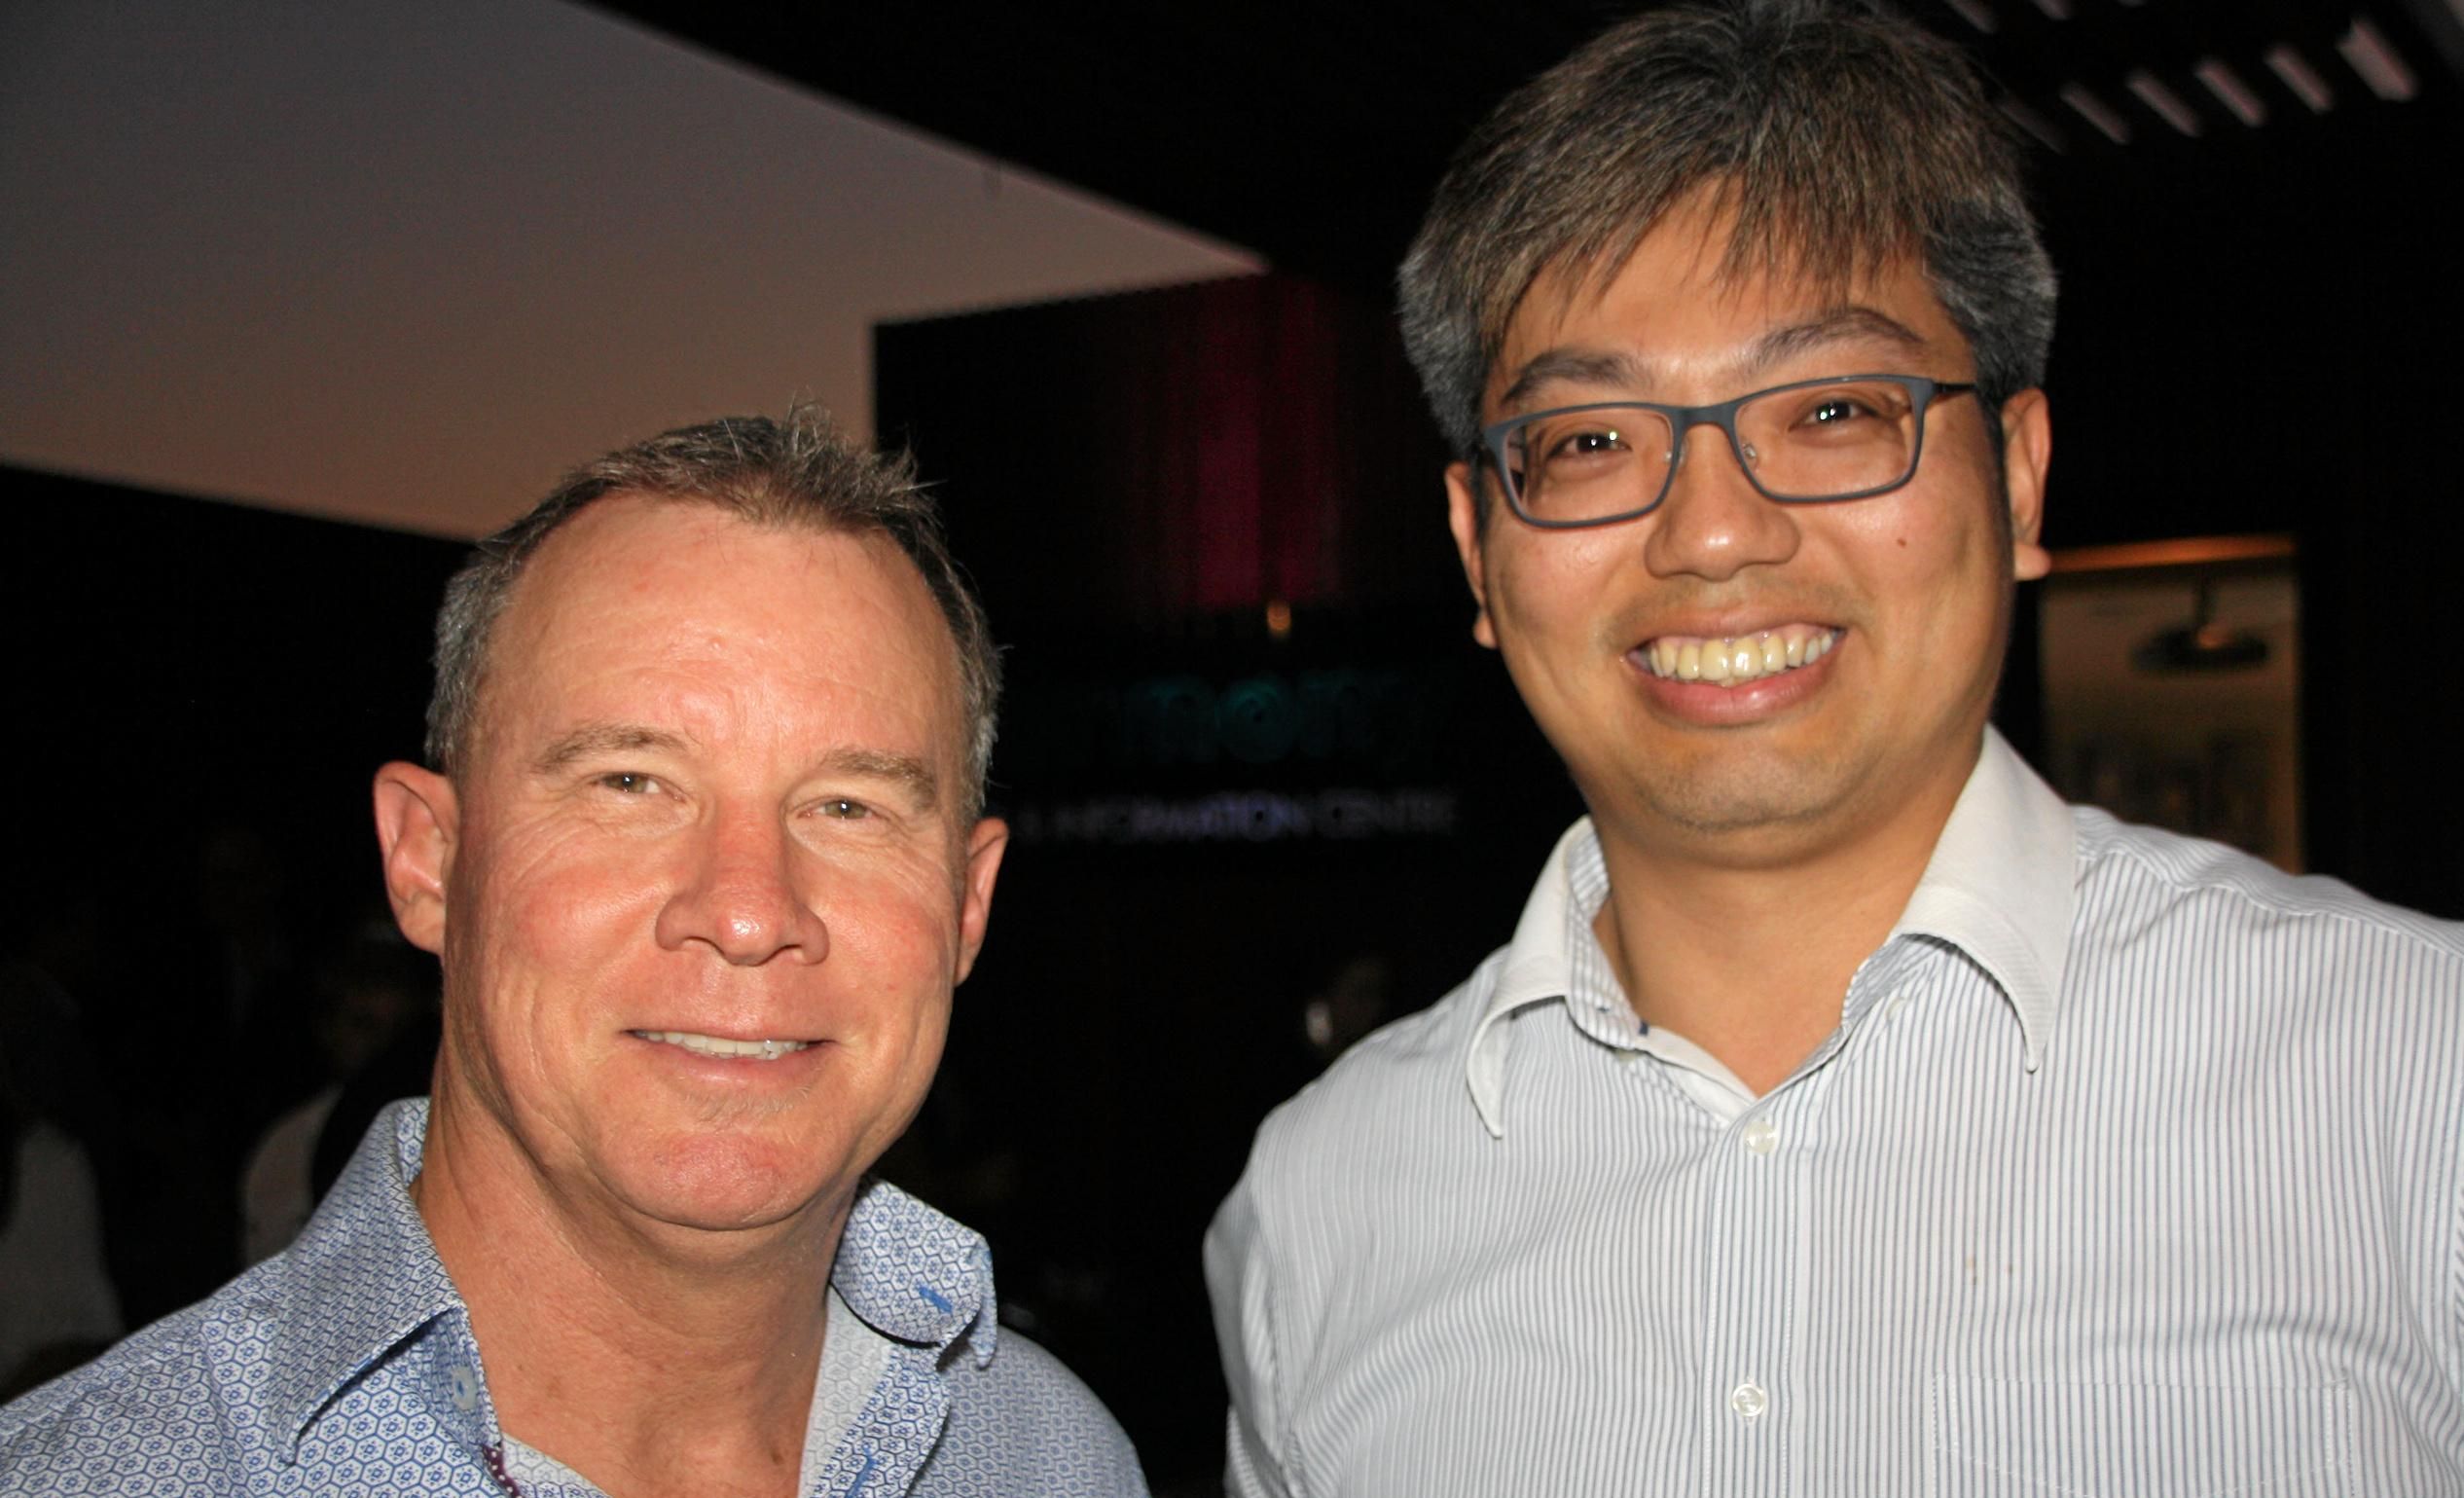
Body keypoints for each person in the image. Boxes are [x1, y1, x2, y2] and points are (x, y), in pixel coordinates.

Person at [1204, 3, 2464, 1492]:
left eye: (1833, 409)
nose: (1717, 530)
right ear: (1480, 546)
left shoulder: (2412, 1074)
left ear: (2019, 472)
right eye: (1594, 438)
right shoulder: (1320, 1202)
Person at [1, 411, 1147, 1496]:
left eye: (848, 807)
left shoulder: (1051, 1459)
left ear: (967, 904)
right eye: (631, 785)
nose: (749, 914)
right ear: (428, 863)